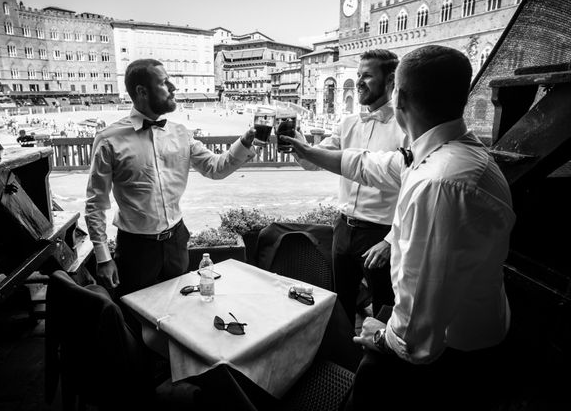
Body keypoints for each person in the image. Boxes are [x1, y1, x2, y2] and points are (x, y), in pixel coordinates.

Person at [282, 45, 514, 410]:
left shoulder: (439, 183)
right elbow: (369, 165)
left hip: (447, 353)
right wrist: (307, 151)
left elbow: (418, 310)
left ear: (399, 95)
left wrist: (382, 336)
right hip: (472, 329)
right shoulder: (453, 153)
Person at [85, 59, 256, 298]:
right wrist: (103, 257)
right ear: (142, 91)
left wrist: (245, 143)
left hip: (176, 241)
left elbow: (215, 168)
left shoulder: (180, 133)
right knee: (137, 313)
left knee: (178, 307)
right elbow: (95, 204)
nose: (174, 87)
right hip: (136, 248)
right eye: (165, 83)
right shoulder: (108, 139)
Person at [292, 49, 406, 323]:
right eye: (358, 75)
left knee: (384, 302)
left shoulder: (405, 128)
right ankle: (342, 354)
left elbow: (413, 191)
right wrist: (299, 145)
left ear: (391, 80)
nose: (359, 82)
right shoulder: (347, 123)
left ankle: (376, 360)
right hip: (343, 227)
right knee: (340, 297)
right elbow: (313, 162)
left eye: (367, 76)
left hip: (380, 233)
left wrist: (391, 241)